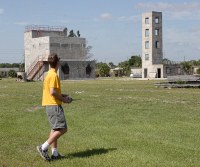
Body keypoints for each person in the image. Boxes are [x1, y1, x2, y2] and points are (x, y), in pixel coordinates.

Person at [37, 53, 70, 161]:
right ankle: (43, 147)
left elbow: (52, 91)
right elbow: (52, 92)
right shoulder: (54, 75)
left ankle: (55, 154)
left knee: (55, 129)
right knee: (63, 129)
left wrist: (62, 95)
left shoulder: (48, 74)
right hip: (54, 105)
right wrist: (64, 99)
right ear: (58, 63)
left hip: (49, 104)